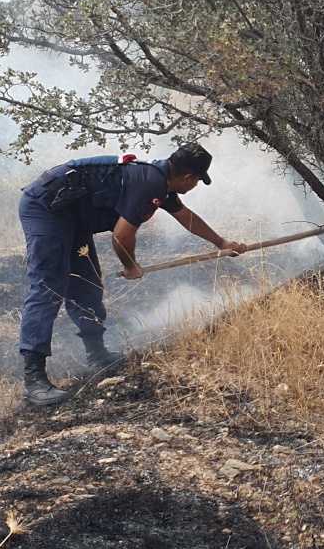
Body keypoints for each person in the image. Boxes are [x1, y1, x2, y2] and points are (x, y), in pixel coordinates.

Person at [15, 142, 247, 408]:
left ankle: (97, 354)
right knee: (48, 286)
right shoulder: (150, 183)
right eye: (197, 181)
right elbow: (121, 236)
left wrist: (221, 243)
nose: (195, 185)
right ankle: (33, 381)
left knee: (87, 283)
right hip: (47, 209)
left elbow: (186, 217)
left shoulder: (160, 182)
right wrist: (130, 265)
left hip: (73, 217)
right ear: (187, 178)